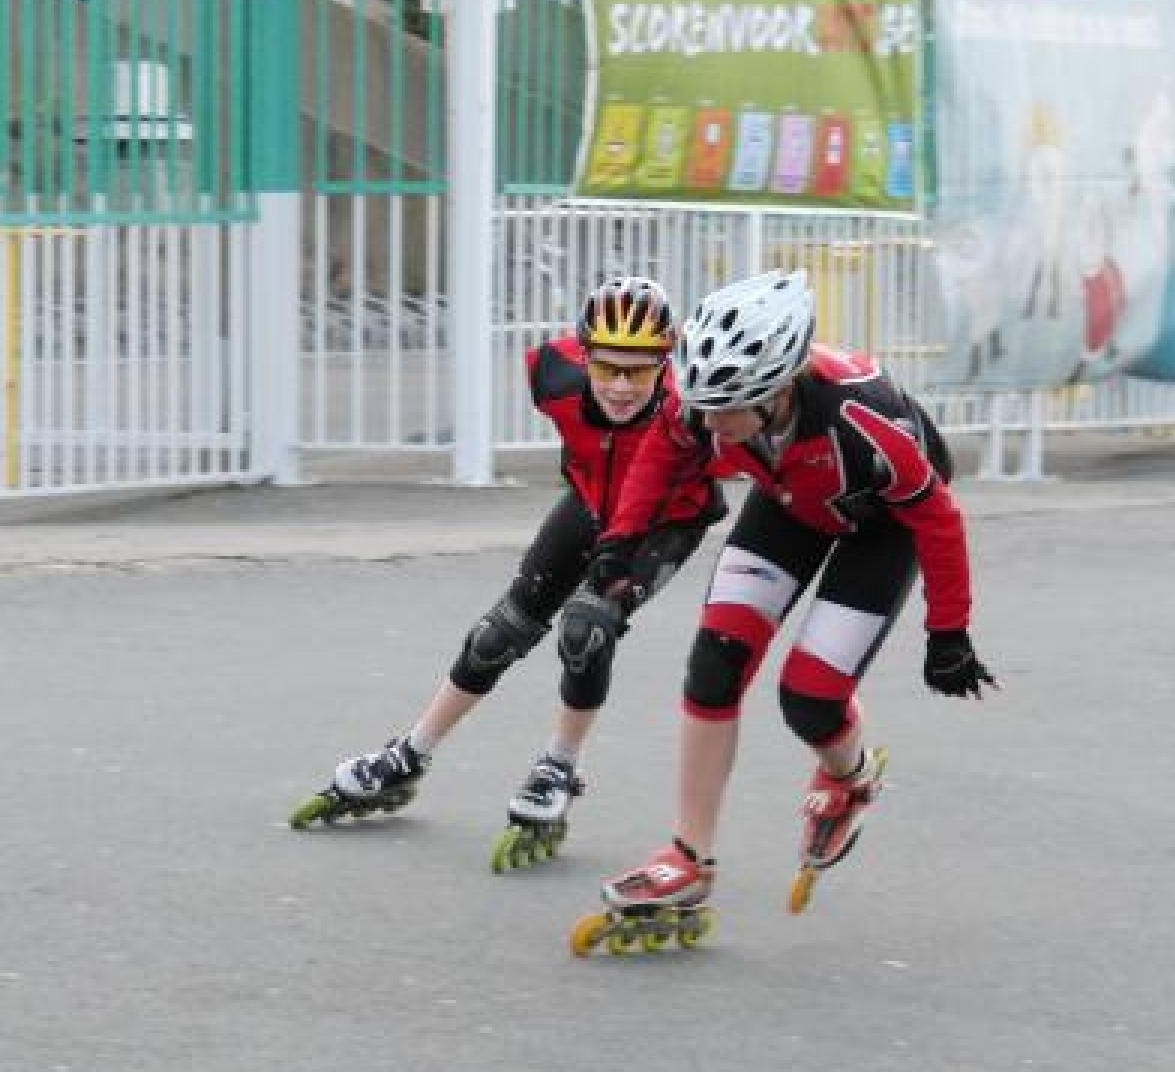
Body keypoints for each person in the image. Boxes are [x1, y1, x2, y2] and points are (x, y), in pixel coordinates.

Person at [591, 268, 997, 917]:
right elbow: (662, 454)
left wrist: (948, 632)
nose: (710, 423)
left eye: (727, 408)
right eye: (703, 404)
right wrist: (620, 541)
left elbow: (938, 519)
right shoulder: (705, 396)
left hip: (880, 526)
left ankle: (850, 777)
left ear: (778, 389)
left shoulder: (864, 422)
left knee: (810, 698)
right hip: (790, 503)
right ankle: (689, 857)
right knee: (714, 664)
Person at [289, 276, 724, 870]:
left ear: (665, 365)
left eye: (639, 371)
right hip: (591, 505)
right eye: (608, 368)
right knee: (501, 632)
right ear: (584, 356)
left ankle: (558, 767)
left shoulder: (694, 407)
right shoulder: (552, 375)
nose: (621, 386)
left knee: (588, 628)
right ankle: (409, 753)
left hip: (665, 522)